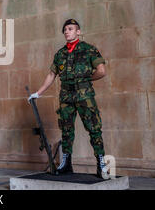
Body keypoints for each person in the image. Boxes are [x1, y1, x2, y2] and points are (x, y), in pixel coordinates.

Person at [28, 19, 110, 179]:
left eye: (70, 29)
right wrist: (38, 93)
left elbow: (101, 71)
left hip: (85, 96)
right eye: (65, 29)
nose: (67, 31)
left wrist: (85, 81)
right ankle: (66, 163)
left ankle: (101, 164)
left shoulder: (89, 50)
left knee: (94, 129)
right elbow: (52, 74)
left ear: (78, 32)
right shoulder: (60, 54)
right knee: (66, 131)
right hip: (66, 97)